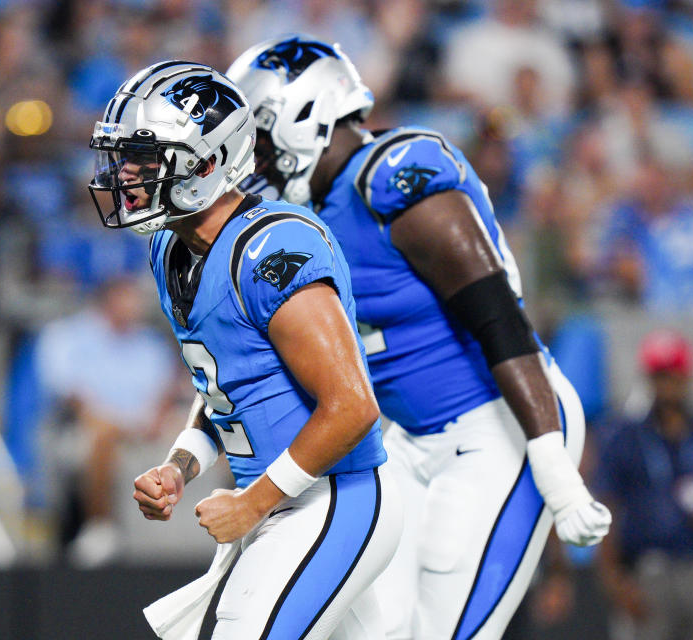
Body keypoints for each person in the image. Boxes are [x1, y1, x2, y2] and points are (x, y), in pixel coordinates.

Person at [228, 36, 611, 640]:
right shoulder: (311, 213)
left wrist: (554, 465)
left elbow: (499, 321)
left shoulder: (394, 178)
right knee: (370, 624)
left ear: (305, 116)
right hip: (405, 438)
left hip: (498, 425)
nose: (260, 162)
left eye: (264, 140)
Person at [89, 61, 401, 638]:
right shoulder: (171, 247)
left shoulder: (273, 247)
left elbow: (353, 406)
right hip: (284, 498)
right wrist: (182, 465)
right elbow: (227, 386)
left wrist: (254, 501)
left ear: (205, 162)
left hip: (331, 498)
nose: (126, 175)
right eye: (123, 157)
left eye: (145, 158)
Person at [595, 329, 693, 640]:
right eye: (660, 376)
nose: (667, 385)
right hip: (647, 572)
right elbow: (606, 508)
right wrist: (614, 582)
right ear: (649, 379)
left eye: (674, 376)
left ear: (688, 377)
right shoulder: (625, 437)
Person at [34, 275, 179, 566]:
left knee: (211, 431)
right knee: (102, 434)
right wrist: (105, 420)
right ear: (108, 300)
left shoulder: (151, 343)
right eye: (128, 298)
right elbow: (67, 392)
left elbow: (167, 390)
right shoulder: (66, 335)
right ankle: (101, 526)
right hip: (87, 426)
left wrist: (156, 420)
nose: (136, 306)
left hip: (146, 426)